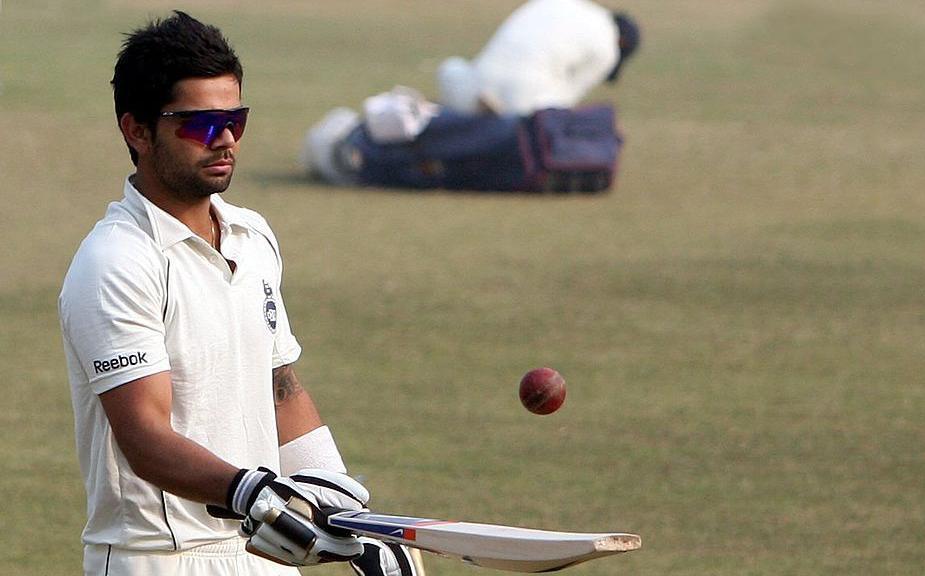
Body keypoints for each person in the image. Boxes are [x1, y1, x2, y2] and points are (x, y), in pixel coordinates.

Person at [59, 11, 418, 576]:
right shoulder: (116, 262)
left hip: (261, 552)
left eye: (234, 119)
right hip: (159, 558)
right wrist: (254, 494)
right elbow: (143, 436)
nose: (224, 138)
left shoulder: (252, 236)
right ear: (137, 131)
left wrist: (351, 511)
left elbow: (279, 386)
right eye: (200, 124)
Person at [436, 0, 640, 116]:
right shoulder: (607, 47)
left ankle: (483, 111)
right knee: (552, 109)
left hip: (471, 87)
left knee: (451, 67)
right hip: (522, 101)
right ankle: (503, 117)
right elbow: (567, 100)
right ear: (621, 42)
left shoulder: (554, 3)